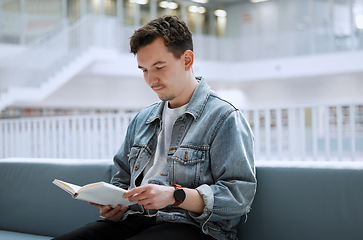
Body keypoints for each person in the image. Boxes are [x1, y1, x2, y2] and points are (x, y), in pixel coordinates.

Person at [53, 15, 256, 240]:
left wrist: (174, 196)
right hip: (135, 220)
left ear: (187, 60)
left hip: (192, 227)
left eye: (159, 67)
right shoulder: (142, 119)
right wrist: (114, 206)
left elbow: (238, 196)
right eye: (144, 70)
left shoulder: (224, 117)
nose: (151, 80)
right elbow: (121, 177)